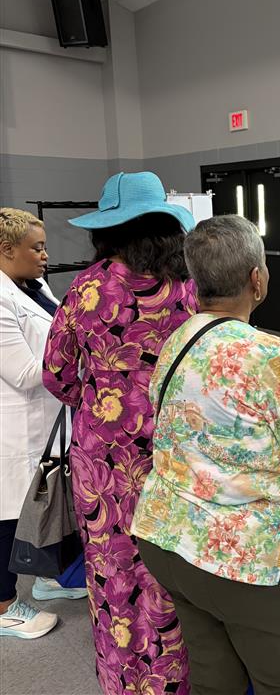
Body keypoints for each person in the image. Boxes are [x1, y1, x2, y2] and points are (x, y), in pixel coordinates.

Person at [131, 215, 280, 695]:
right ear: (257, 279)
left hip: (170, 538)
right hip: (245, 559)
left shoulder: (178, 339)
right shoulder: (270, 355)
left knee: (214, 675)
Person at [42, 173, 198, 695]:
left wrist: (99, 396)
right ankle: (177, 679)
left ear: (107, 229)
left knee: (113, 572)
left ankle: (124, 681)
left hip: (104, 458)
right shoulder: (190, 286)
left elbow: (56, 374)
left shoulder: (89, 288)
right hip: (179, 446)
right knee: (173, 565)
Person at [0, 208, 87, 640]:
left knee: (47, 504)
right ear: (6, 249)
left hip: (49, 420)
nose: (45, 256)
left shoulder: (32, 287)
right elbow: (21, 371)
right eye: (36, 248)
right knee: (10, 515)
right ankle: (4, 606)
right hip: (16, 426)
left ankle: (48, 577)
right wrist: (84, 358)